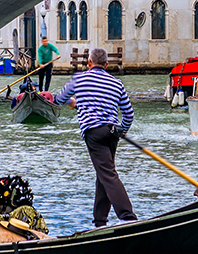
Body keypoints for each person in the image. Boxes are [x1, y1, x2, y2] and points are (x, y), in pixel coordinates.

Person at [55, 48, 138, 227]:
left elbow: (59, 99)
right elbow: (129, 114)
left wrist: (73, 102)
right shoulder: (117, 83)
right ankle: (100, 221)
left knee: (107, 174)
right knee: (103, 174)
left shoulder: (79, 79)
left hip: (93, 133)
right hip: (111, 133)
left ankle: (128, 217)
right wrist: (121, 130)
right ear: (107, 65)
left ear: (89, 63)